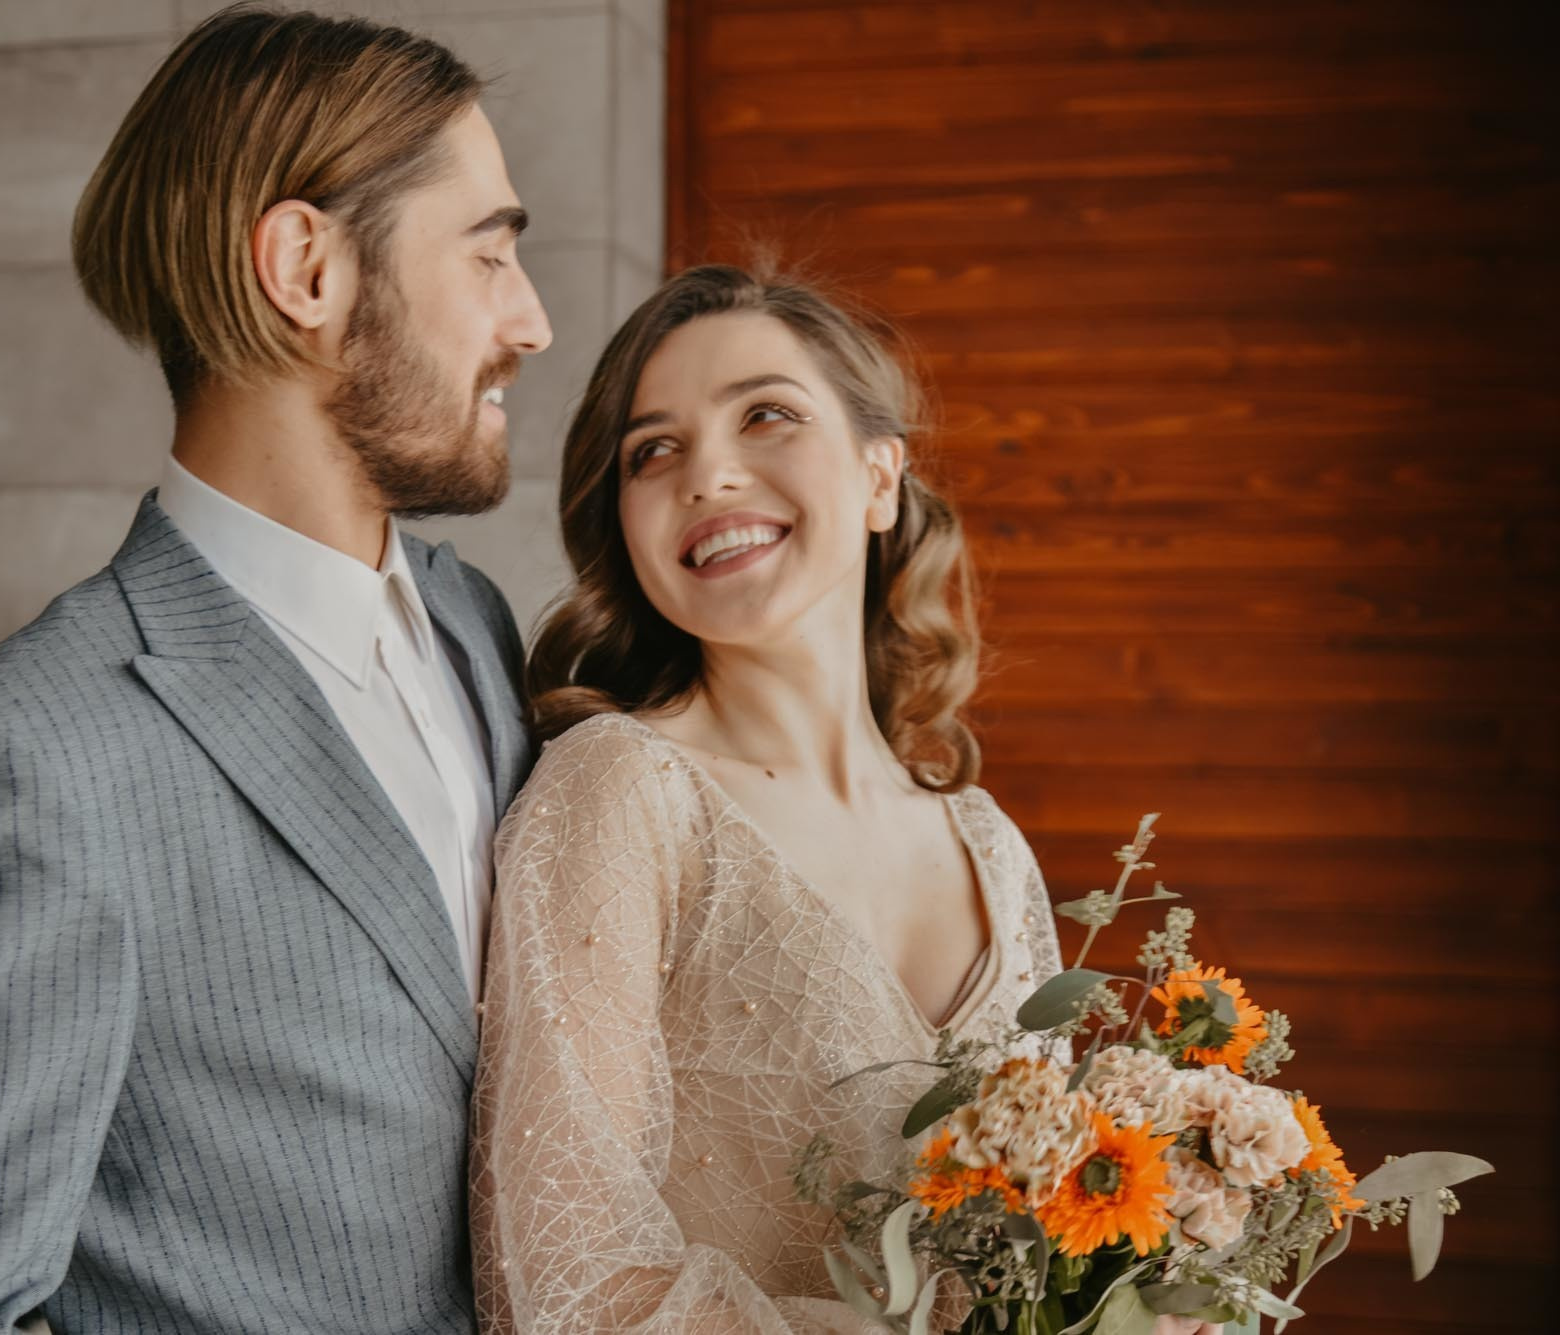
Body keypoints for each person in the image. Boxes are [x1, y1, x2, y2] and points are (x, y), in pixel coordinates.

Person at [0, 7, 550, 1333]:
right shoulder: (30, 765)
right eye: (487, 253)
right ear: (305, 268)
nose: (529, 321)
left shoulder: (474, 623)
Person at [470, 267, 1217, 1335]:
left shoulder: (988, 846)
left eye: (765, 415)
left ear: (880, 478)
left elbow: (1041, 1245)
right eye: (653, 451)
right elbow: (564, 1284)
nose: (707, 473)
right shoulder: (619, 792)